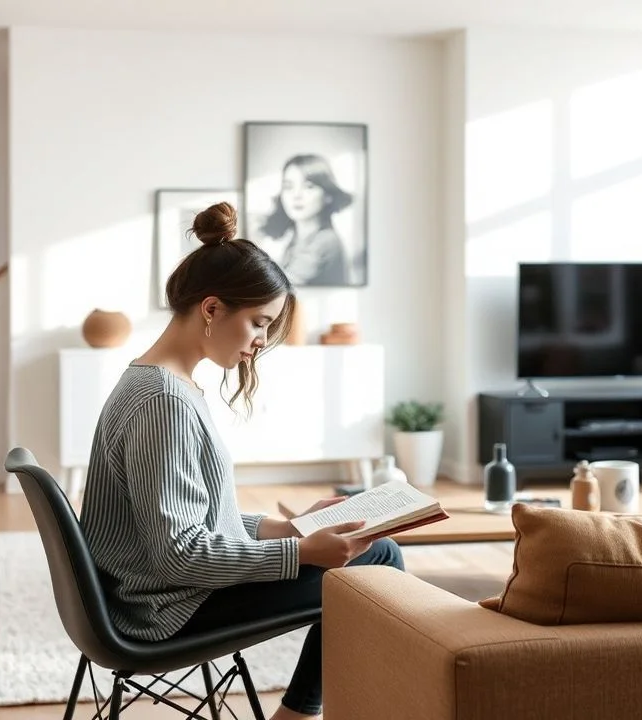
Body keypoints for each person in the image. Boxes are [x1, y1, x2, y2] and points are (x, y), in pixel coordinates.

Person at [79, 200, 404, 720]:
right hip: (165, 609)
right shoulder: (163, 403)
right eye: (258, 322)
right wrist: (303, 554)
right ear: (211, 309)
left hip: (150, 595)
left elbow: (199, 522)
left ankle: (306, 710)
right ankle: (302, 714)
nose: (260, 342)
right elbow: (179, 555)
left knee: (370, 551)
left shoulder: (154, 383)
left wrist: (291, 526)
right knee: (380, 558)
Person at [257, 154, 355, 287]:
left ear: (328, 195)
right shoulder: (293, 238)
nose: (296, 195)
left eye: (309, 186)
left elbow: (277, 288)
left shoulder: (326, 242)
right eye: (288, 187)